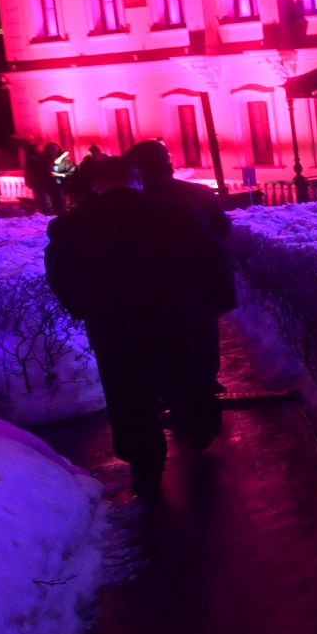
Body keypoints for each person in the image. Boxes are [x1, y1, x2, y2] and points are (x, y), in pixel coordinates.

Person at [44, 156, 228, 494]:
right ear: (137, 178)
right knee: (186, 378)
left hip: (115, 327)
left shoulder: (71, 225)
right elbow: (211, 258)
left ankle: (145, 462)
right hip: (177, 319)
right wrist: (216, 302)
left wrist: (84, 308)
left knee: (128, 394)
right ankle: (199, 428)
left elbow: (61, 275)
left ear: (97, 185)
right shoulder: (177, 212)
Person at [127, 140, 236, 404]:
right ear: (167, 163)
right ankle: (206, 384)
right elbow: (221, 229)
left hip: (152, 285)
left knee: (164, 337)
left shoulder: (134, 201)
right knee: (203, 332)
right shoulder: (197, 194)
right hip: (197, 279)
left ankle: (175, 392)